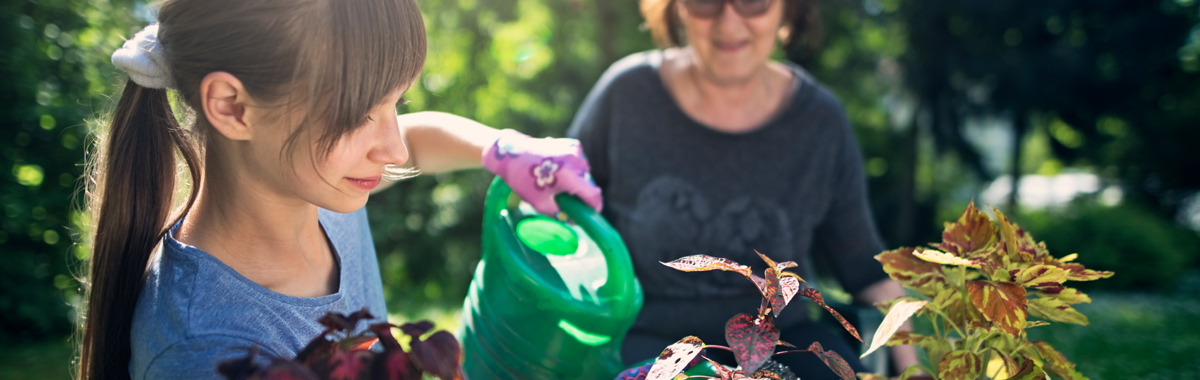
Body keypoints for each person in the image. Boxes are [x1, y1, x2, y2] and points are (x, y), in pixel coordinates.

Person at [77, 0, 601, 379]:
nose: (392, 148)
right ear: (233, 107)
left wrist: (502, 149)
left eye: (397, 102)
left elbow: (414, 143)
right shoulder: (206, 348)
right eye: (358, 113)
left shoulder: (319, 191)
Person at [566, 0, 917, 377]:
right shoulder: (626, 95)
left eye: (753, 1)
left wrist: (914, 370)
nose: (729, 21)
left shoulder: (820, 122)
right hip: (643, 341)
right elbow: (563, 216)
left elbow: (865, 270)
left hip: (785, 344)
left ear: (788, 11)